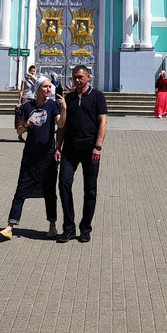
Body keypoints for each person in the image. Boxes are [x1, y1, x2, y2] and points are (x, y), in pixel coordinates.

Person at [0, 76, 66, 240]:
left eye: (50, 87)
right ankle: (10, 226)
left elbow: (61, 124)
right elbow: (19, 132)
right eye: (45, 87)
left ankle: (52, 226)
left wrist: (64, 109)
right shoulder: (28, 107)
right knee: (21, 189)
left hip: (47, 156)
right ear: (38, 89)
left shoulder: (53, 106)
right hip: (30, 155)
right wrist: (26, 124)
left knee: (50, 192)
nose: (49, 89)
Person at [56, 66, 108, 243]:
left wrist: (98, 146)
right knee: (63, 183)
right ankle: (68, 227)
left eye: (80, 77)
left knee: (90, 189)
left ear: (88, 77)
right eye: (74, 77)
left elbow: (103, 121)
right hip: (70, 149)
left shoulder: (97, 96)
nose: (77, 80)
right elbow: (62, 125)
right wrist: (58, 147)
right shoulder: (69, 99)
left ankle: (85, 228)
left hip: (90, 149)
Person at [17, 64, 38, 141]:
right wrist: (19, 101)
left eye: (34, 71)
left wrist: (31, 76)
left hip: (33, 99)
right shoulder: (25, 79)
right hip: (26, 99)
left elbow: (38, 81)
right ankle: (20, 133)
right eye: (31, 71)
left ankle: (30, 135)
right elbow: (21, 91)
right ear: (29, 71)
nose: (33, 72)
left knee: (31, 117)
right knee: (24, 117)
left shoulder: (35, 79)